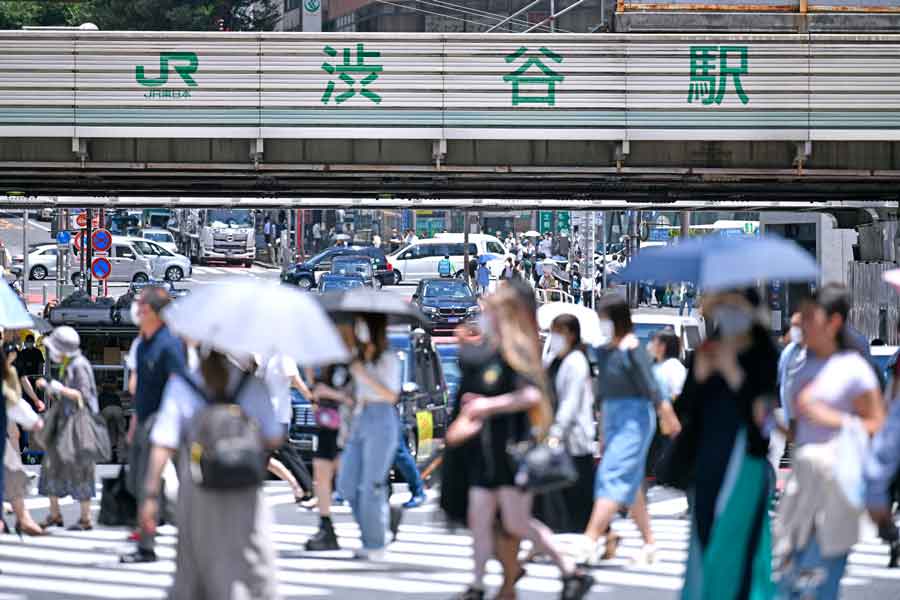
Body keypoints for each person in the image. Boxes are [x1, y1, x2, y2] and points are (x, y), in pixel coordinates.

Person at [442, 284, 594, 600]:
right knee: (479, 519)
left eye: (491, 312)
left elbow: (531, 395)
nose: (484, 317)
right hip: (485, 453)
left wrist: (487, 406)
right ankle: (477, 584)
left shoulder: (517, 352)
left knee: (518, 522)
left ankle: (570, 569)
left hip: (511, 452)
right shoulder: (492, 350)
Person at [139, 348, 283, 600]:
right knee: (249, 556)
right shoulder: (252, 386)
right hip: (244, 489)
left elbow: (163, 443)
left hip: (198, 489)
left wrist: (150, 496)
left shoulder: (184, 385)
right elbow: (273, 437)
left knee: (195, 562)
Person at [660, 290, 778, 598]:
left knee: (735, 538)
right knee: (705, 535)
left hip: (744, 461)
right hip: (706, 459)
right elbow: (683, 410)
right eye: (723, 307)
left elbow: (763, 418)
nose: (729, 314)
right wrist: (699, 375)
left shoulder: (763, 353)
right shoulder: (706, 350)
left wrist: (733, 373)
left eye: (735, 307)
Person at [775, 284, 885, 600]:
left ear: (834, 322)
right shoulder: (800, 364)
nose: (802, 325)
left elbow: (877, 424)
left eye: (811, 318)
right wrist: (772, 423)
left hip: (838, 479)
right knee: (789, 573)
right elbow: (799, 430)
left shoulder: (854, 369)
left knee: (821, 578)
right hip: (803, 479)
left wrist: (832, 419)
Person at [580, 297, 681, 565]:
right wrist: (602, 434)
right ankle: (649, 543)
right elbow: (602, 395)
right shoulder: (605, 351)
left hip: (635, 420)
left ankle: (590, 538)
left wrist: (670, 419)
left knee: (611, 475)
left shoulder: (633, 348)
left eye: (605, 318)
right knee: (632, 484)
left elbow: (653, 389)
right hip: (612, 419)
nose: (602, 323)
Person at [121, 287, 187, 564]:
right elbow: (140, 390)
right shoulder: (144, 343)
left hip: (167, 421)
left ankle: (154, 543)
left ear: (157, 313)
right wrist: (134, 424)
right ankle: (146, 542)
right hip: (146, 420)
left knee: (157, 485)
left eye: (143, 308)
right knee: (140, 483)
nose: (138, 311)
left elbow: (180, 385)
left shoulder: (169, 344)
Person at [336, 314, 402, 560]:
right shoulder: (358, 358)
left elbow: (392, 395)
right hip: (361, 416)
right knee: (346, 483)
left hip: (382, 417)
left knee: (371, 485)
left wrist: (363, 374)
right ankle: (377, 528)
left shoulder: (388, 359)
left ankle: (374, 542)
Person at [535, 314, 596, 533]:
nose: (553, 337)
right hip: (555, 437)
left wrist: (556, 432)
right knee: (558, 497)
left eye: (557, 332)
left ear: (570, 334)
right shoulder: (552, 359)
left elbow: (570, 402)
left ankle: (599, 534)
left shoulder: (576, 361)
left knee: (578, 498)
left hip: (573, 440)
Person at [36, 326, 99, 532]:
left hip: (78, 425)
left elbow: (83, 396)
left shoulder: (79, 365)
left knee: (80, 467)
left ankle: (85, 518)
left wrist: (59, 388)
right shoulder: (68, 364)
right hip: (66, 424)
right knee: (51, 465)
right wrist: (54, 390)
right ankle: (54, 514)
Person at [305, 321, 356, 551]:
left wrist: (330, 393)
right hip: (327, 425)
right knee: (321, 473)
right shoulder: (327, 364)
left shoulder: (352, 363)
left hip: (347, 426)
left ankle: (379, 517)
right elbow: (316, 390)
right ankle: (325, 526)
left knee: (348, 478)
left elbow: (354, 398)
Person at [258, 353, 314, 504]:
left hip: (276, 414)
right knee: (265, 456)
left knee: (283, 452)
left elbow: (295, 380)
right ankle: (300, 487)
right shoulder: (267, 357)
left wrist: (312, 399)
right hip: (267, 414)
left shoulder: (282, 356)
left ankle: (305, 488)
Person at [3, 343, 46, 537]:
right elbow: (11, 399)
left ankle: (22, 518)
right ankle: (22, 518)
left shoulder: (10, 370)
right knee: (12, 470)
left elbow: (12, 398)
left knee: (12, 469)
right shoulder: (7, 371)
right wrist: (33, 420)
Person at [99, 383, 127, 463]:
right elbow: (120, 407)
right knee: (121, 433)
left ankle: (105, 457)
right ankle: (120, 457)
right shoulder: (115, 395)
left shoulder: (100, 396)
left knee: (104, 433)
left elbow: (97, 409)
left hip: (106, 410)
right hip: (118, 410)